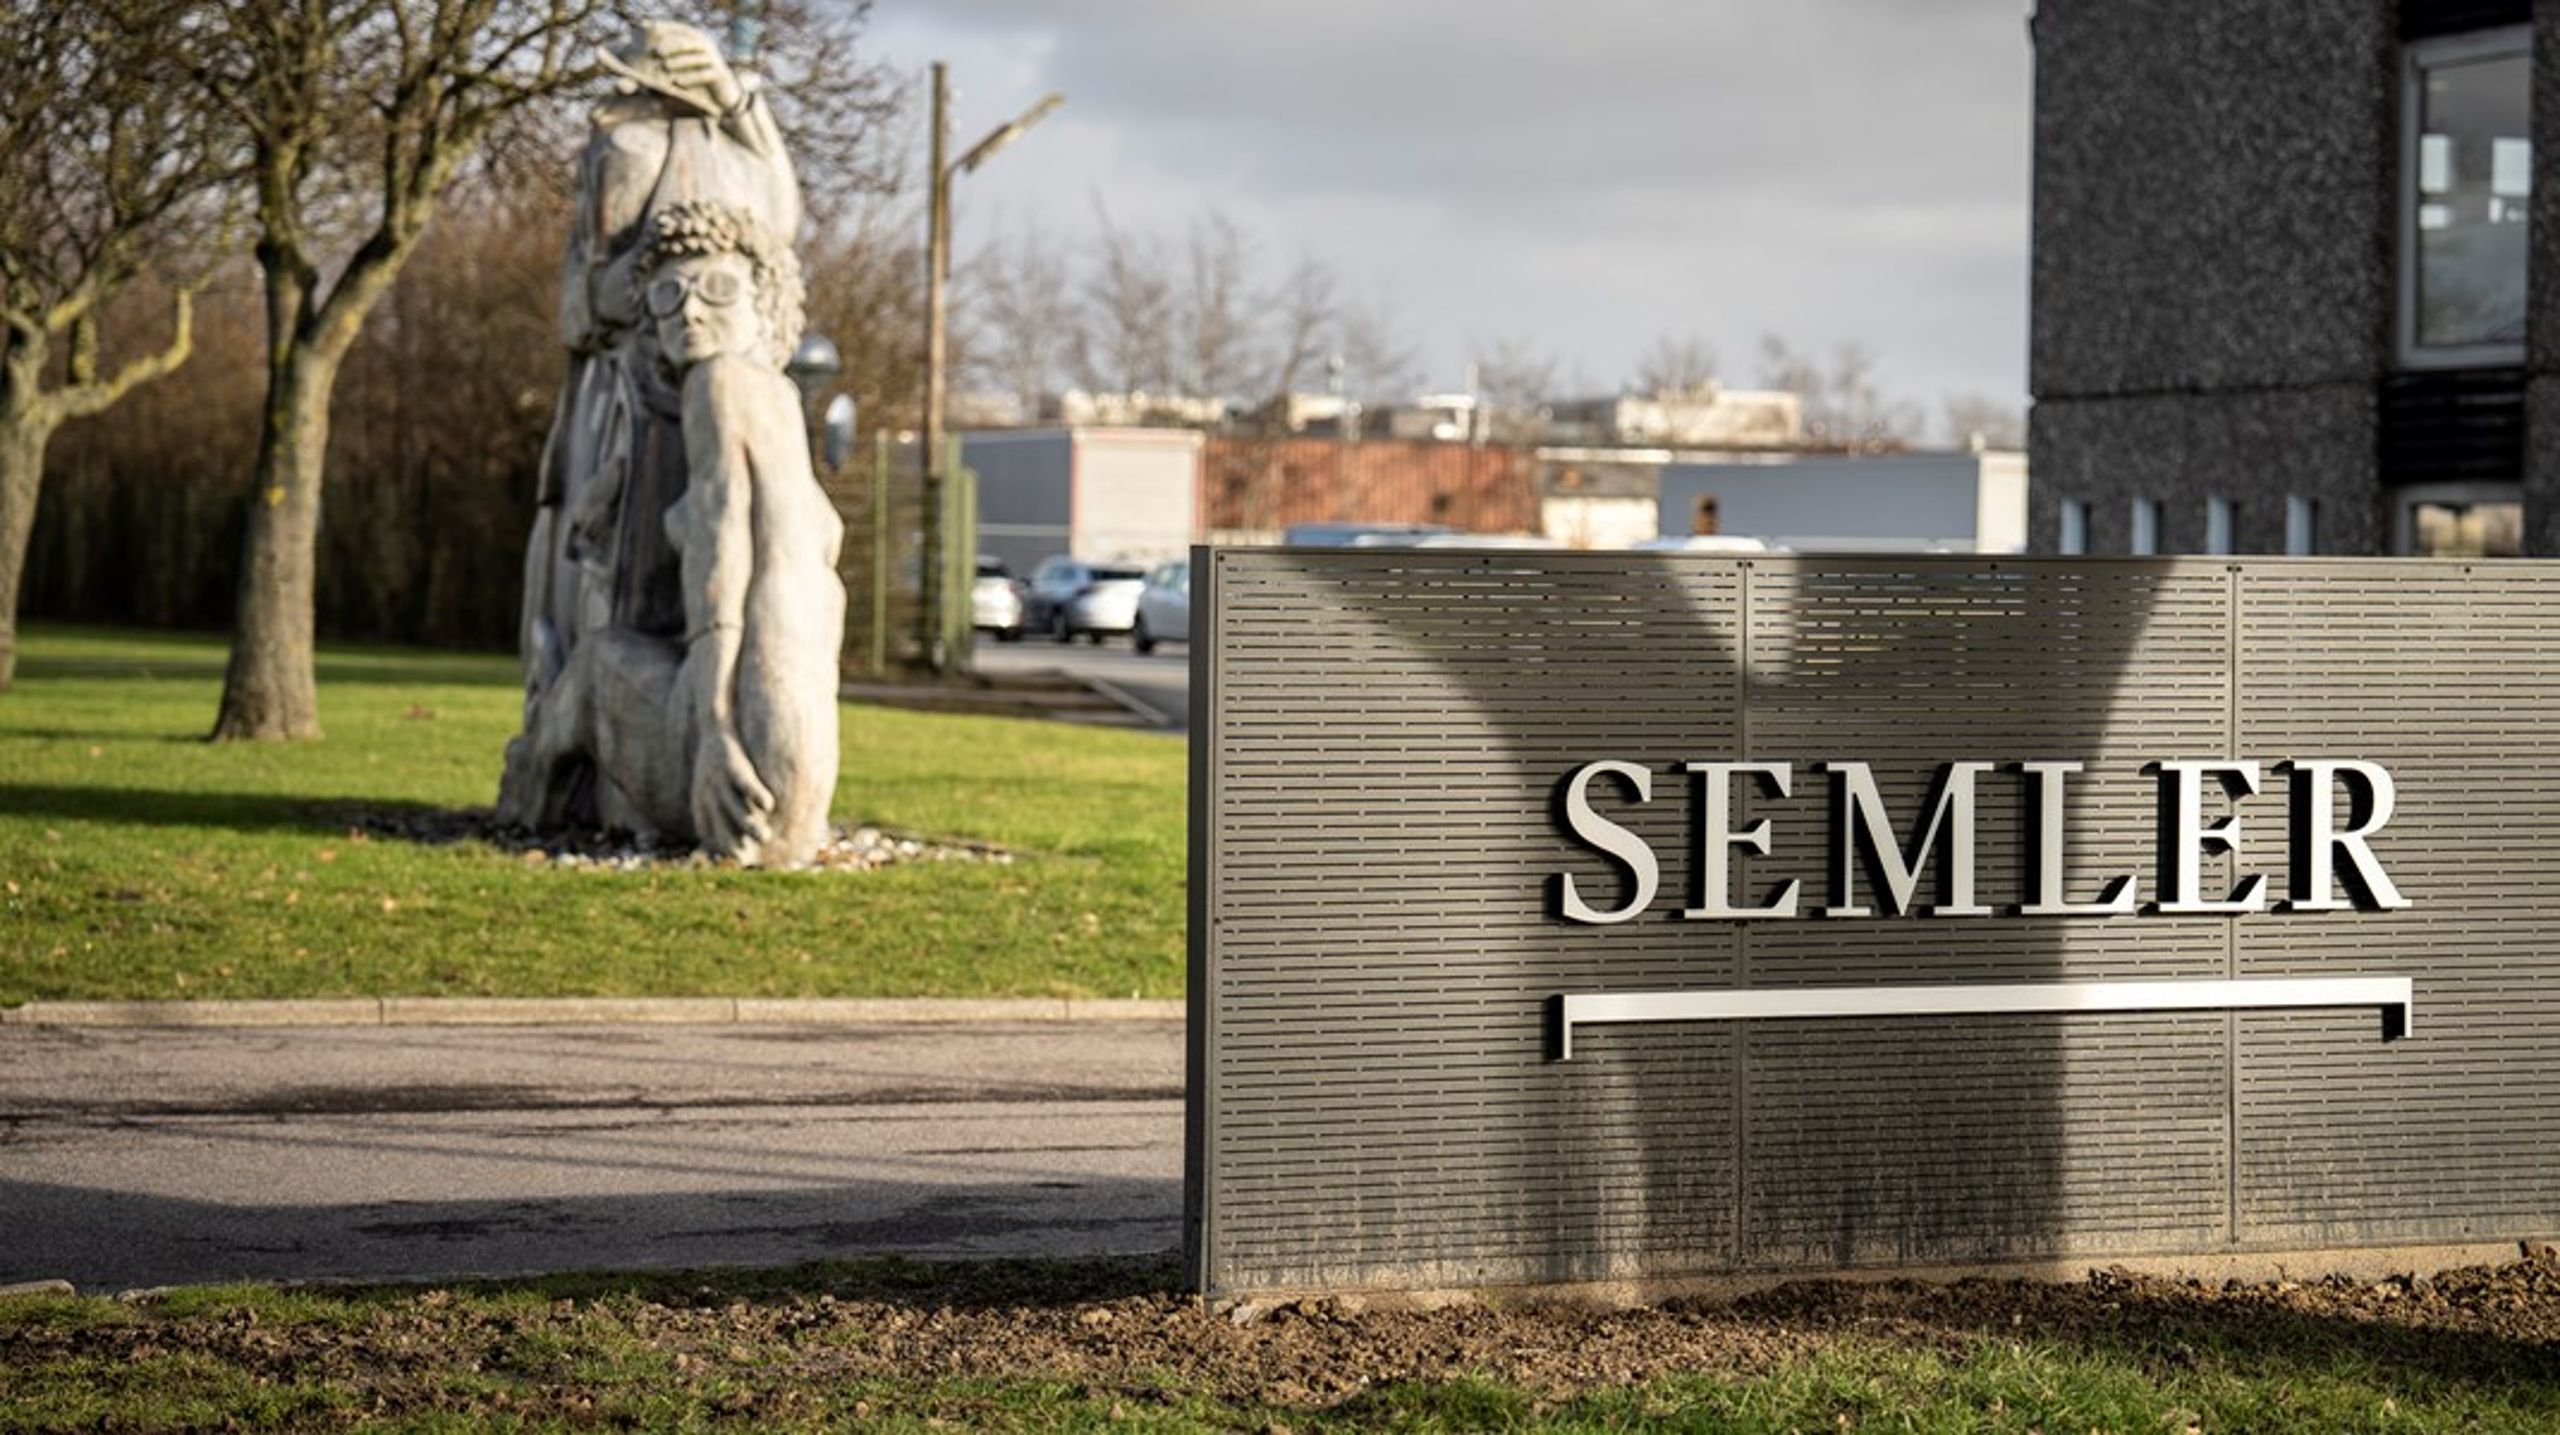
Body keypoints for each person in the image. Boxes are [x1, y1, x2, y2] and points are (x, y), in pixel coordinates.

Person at [505, 20, 800, 831]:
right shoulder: (640, 147)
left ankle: (642, 772)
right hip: (636, 404)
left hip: (666, 403)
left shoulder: (666, 147)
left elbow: (778, 220)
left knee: (667, 573)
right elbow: (595, 295)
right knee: (629, 587)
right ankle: (607, 780)